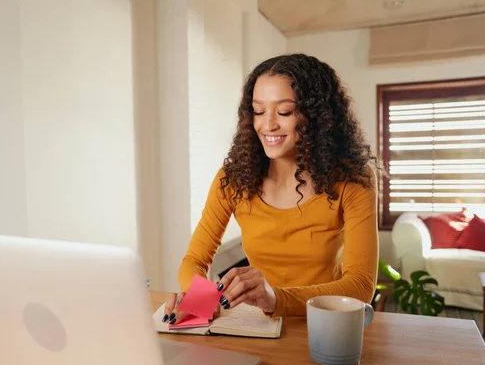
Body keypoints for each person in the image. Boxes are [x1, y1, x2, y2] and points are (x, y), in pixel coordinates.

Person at [162, 53, 379, 325]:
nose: (268, 125)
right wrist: (202, 299)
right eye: (258, 111)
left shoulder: (354, 180)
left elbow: (360, 286)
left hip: (324, 324)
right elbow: (195, 258)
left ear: (318, 116)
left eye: (285, 111)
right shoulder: (233, 179)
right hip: (257, 326)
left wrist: (275, 298)